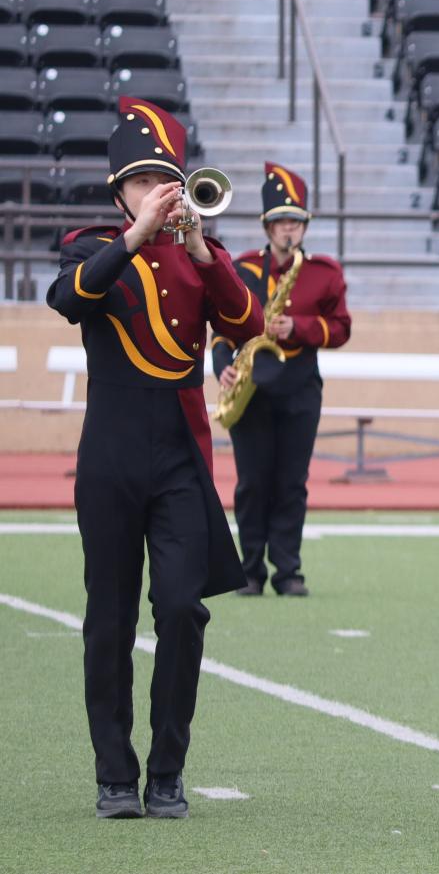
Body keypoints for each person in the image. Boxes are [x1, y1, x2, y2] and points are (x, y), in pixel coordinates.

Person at [46, 97, 264, 820]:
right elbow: (68, 299)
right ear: (120, 194)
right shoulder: (93, 249)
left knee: (181, 608)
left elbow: (248, 322)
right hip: (110, 456)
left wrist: (202, 248)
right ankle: (115, 772)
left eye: (167, 179)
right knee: (107, 617)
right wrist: (136, 236)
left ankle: (167, 769)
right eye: (143, 181)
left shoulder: (203, 258)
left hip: (180, 457)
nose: (160, 192)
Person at [212, 163, 352, 598]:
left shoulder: (324, 273)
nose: (288, 230)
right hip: (251, 386)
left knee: (292, 482)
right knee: (252, 482)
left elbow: (342, 329)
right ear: (267, 226)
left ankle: (288, 570)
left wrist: (301, 328)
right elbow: (220, 327)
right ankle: (249, 569)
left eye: (295, 222)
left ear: (304, 226)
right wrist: (223, 366)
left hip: (299, 386)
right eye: (281, 222)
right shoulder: (243, 268)